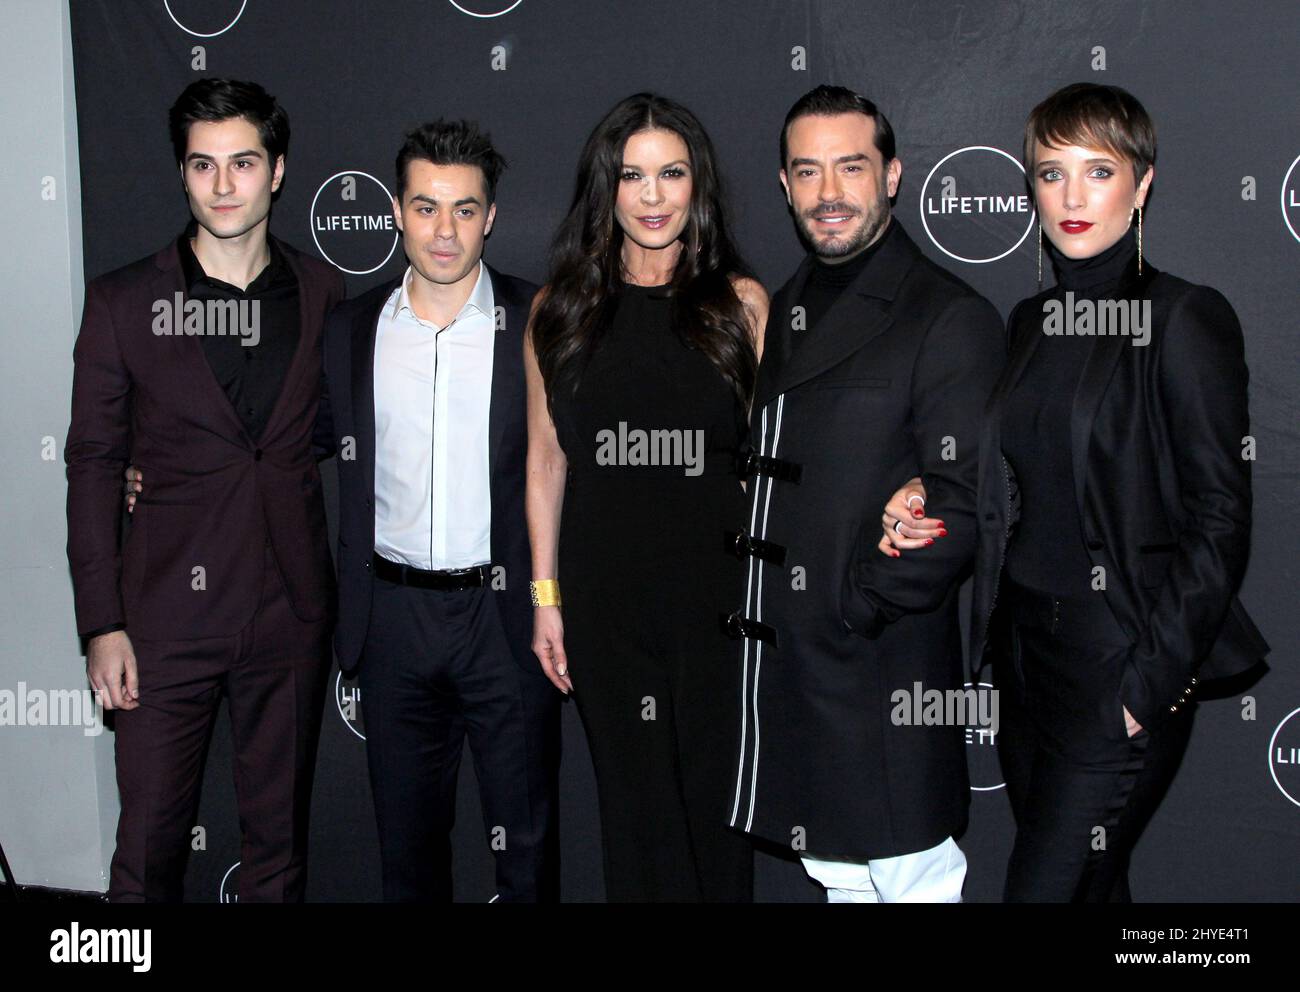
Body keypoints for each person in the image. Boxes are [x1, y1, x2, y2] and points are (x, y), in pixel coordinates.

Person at [877, 82, 1269, 901]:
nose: (1073, 197)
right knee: (1094, 888)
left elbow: (1220, 517)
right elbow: (1016, 471)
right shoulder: (1027, 322)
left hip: (1119, 658)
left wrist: (1146, 686)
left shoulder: (1183, 318)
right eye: (1052, 174)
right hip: (1027, 664)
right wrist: (925, 486)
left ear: (1143, 181)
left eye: (1098, 171)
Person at [722, 85, 1005, 903]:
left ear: (892, 175)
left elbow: (960, 503)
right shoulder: (789, 304)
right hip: (799, 674)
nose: (829, 192)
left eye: (850, 166)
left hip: (882, 676)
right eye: (807, 172)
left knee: (912, 879)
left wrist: (855, 606)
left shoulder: (948, 316)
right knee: (840, 878)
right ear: (784, 185)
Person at [67, 78, 345, 901]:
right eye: (203, 165)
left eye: (244, 162)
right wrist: (101, 624)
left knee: (278, 855)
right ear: (183, 176)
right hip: (162, 620)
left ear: (279, 170)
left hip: (289, 612)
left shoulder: (322, 290)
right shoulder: (124, 301)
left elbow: (323, 428)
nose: (224, 185)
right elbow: (90, 462)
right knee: (147, 852)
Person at [525, 93, 766, 901]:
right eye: (634, 176)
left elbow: (768, 468)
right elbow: (546, 464)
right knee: (634, 818)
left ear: (697, 187)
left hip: (719, 602)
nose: (654, 196)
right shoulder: (557, 312)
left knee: (714, 820)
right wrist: (546, 599)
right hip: (602, 605)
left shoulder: (741, 306)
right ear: (607, 187)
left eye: (672, 174)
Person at [314, 121, 561, 901]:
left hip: (505, 617)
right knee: (408, 852)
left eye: (463, 209)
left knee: (527, 845)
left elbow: (574, 463)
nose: (444, 230)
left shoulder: (540, 321)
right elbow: (284, 447)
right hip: (392, 621)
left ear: (490, 216)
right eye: (426, 208)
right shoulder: (350, 332)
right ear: (395, 210)